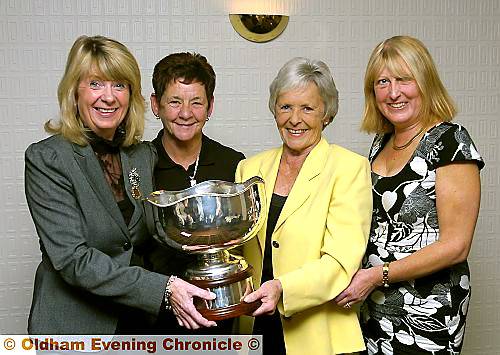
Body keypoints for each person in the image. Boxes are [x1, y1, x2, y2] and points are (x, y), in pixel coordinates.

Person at [24, 35, 216, 334]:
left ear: (131, 95)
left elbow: (145, 240)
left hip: (135, 324)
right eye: (96, 84)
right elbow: (74, 260)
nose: (109, 96)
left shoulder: (140, 155)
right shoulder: (48, 158)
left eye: (119, 85)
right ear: (75, 91)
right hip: (75, 329)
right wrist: (165, 289)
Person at [334, 36, 484, 354]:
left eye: (404, 79)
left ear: (425, 82)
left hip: (428, 310)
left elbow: (456, 246)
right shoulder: (381, 143)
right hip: (373, 305)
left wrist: (378, 275)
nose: (393, 92)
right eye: (383, 82)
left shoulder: (450, 140)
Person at [235, 57, 373, 355]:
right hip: (255, 327)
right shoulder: (249, 169)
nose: (295, 119)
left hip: (320, 336)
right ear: (274, 110)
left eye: (307, 108)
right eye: (286, 106)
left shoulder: (349, 168)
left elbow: (340, 262)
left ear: (326, 114)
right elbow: (240, 250)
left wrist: (282, 287)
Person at [148, 52, 245, 332]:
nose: (186, 114)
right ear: (156, 105)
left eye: (196, 102)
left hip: (221, 313)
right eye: (175, 102)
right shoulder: (139, 164)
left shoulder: (233, 163)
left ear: (210, 106)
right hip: (157, 319)